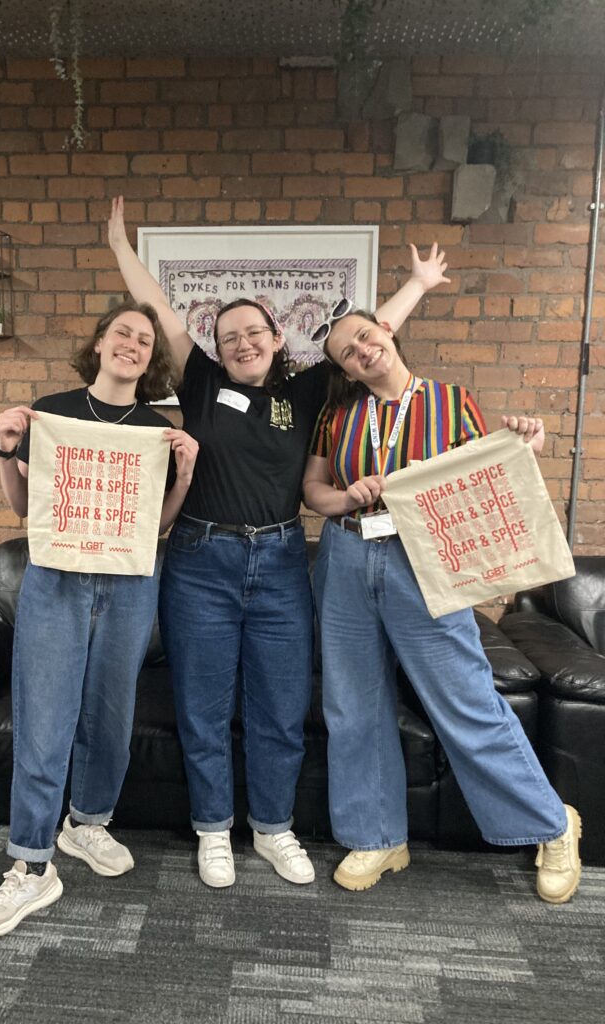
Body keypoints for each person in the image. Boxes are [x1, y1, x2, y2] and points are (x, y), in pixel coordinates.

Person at [108, 197, 450, 888]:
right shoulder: (201, 381)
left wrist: (416, 284)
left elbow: (371, 338)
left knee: (280, 705)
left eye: (253, 332)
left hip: (283, 563)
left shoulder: (308, 390)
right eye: (228, 334)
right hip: (201, 562)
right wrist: (118, 243)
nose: (241, 342)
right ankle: (212, 830)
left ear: (274, 337)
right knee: (202, 705)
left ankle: (272, 828)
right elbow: (158, 308)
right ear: (216, 346)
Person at [302, 307, 582, 903]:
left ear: (388, 332)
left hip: (422, 562)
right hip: (347, 557)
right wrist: (343, 496)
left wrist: (525, 444)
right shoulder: (339, 414)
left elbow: (487, 481)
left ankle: (552, 824)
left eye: (365, 336)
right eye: (348, 352)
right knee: (352, 706)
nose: (362, 351)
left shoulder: (451, 403)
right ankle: (376, 836)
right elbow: (313, 489)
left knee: (464, 699)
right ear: (345, 370)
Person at [0, 301, 198, 937]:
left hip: (128, 581)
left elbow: (159, 527)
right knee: (45, 715)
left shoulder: (158, 428)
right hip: (56, 579)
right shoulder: (54, 411)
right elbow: (22, 506)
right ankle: (32, 865)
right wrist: (5, 448)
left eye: (145, 340)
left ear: (151, 359)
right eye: (122, 332)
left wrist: (183, 474)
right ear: (99, 343)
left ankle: (87, 823)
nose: (132, 343)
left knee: (111, 712)